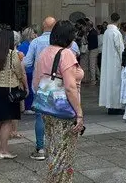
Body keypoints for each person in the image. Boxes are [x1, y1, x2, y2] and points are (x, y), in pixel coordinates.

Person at [32, 20, 84, 183]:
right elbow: (69, 87)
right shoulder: (66, 54)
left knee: (53, 149)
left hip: (47, 109)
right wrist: (79, 113)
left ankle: (53, 179)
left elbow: (36, 82)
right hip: (64, 109)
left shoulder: (44, 52)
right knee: (65, 153)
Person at [0, 29, 27, 159]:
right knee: (7, 121)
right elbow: (19, 72)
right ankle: (4, 150)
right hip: (8, 90)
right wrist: (25, 86)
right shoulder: (12, 54)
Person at [24, 16, 57, 161]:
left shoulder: (36, 42)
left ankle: (40, 148)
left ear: (43, 26)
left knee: (40, 116)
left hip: (40, 83)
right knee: (56, 115)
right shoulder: (59, 42)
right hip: (57, 82)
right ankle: (55, 147)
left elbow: (27, 62)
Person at [99, 13, 124, 115]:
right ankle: (115, 106)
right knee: (116, 83)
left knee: (109, 83)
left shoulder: (107, 32)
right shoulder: (116, 33)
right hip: (115, 62)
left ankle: (110, 105)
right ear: (119, 20)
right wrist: (124, 59)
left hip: (107, 61)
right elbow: (120, 48)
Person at [18, 27, 37, 112]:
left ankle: (27, 106)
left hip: (28, 69)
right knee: (29, 87)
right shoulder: (28, 45)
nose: (35, 35)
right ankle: (28, 107)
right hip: (28, 69)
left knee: (28, 87)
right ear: (29, 34)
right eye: (33, 33)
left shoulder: (23, 45)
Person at [86, 22, 99, 86]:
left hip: (93, 50)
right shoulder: (94, 31)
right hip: (95, 49)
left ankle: (93, 80)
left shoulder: (92, 33)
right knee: (95, 65)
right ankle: (99, 77)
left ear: (89, 26)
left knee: (92, 65)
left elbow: (88, 41)